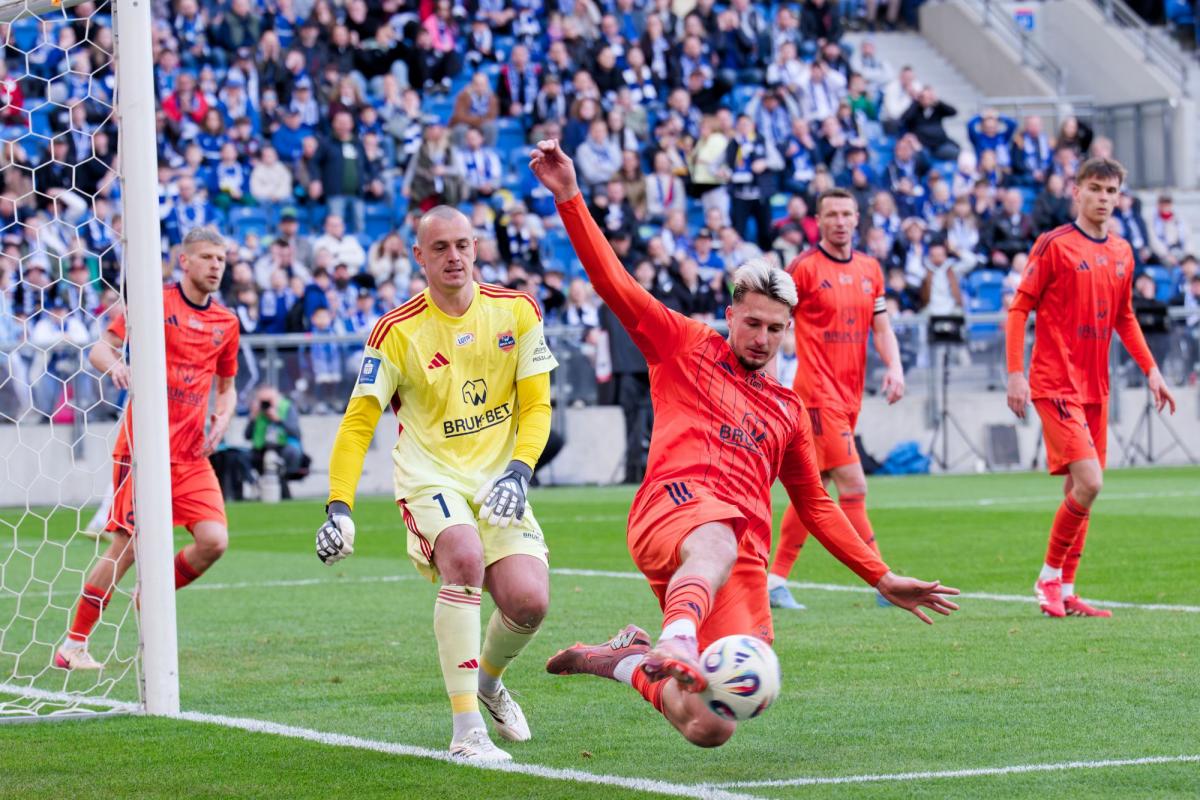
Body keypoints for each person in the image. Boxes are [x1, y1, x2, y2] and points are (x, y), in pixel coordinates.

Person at [530, 139, 958, 748]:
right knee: (716, 537)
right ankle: (677, 635)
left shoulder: (787, 411)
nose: (761, 337)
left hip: (739, 558)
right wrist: (570, 197)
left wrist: (881, 576)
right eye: (752, 322)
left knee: (709, 723)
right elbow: (613, 282)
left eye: (775, 329)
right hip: (673, 510)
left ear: (789, 330)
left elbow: (816, 506)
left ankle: (624, 660)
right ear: (731, 315)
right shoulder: (684, 345)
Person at [315, 205, 559, 761]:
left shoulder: (517, 311)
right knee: (464, 557)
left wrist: (520, 469)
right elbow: (358, 424)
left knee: (528, 602)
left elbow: (537, 405)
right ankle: (466, 731)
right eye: (440, 247)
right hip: (430, 478)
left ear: (476, 248)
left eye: (462, 245)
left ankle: (489, 683)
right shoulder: (396, 331)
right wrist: (339, 506)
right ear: (418, 256)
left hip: (499, 479)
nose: (454, 256)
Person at [54, 227, 239, 670]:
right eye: (207, 257)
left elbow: (227, 387)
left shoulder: (226, 323)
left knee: (214, 541)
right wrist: (116, 367)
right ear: (184, 261)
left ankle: (149, 595)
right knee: (128, 546)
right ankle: (73, 644)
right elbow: (101, 349)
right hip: (142, 450)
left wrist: (223, 416)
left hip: (192, 456)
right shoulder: (155, 303)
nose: (216, 266)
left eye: (221, 259)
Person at [1005, 158, 1176, 618]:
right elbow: (1019, 309)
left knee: (1079, 490)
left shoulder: (1122, 251)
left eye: (1111, 190)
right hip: (1054, 382)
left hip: (1096, 387)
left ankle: (1067, 588)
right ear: (1076, 191)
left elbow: (1125, 317)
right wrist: (1015, 373)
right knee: (1091, 482)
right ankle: (1047, 578)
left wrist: (1152, 370)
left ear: (1119, 197)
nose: (1103, 197)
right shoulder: (1054, 244)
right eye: (1095, 188)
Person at [766, 188, 907, 611]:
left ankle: (775, 580)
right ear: (819, 220)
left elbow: (881, 327)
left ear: (857, 218)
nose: (840, 221)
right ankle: (884, 580)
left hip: (850, 396)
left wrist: (895, 366)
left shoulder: (870, 268)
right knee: (854, 485)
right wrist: (768, 382)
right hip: (816, 395)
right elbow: (775, 322)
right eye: (832, 214)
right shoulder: (804, 268)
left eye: (847, 214)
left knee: (815, 488)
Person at [244, 384, 307, 499]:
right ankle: (255, 485)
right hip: (260, 449)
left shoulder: (286, 407)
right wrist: (253, 417)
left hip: (283, 448)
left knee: (286, 455)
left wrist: (278, 419)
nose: (266, 404)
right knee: (241, 458)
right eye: (262, 401)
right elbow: (247, 435)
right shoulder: (257, 413)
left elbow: (296, 433)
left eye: (269, 401)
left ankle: (283, 488)